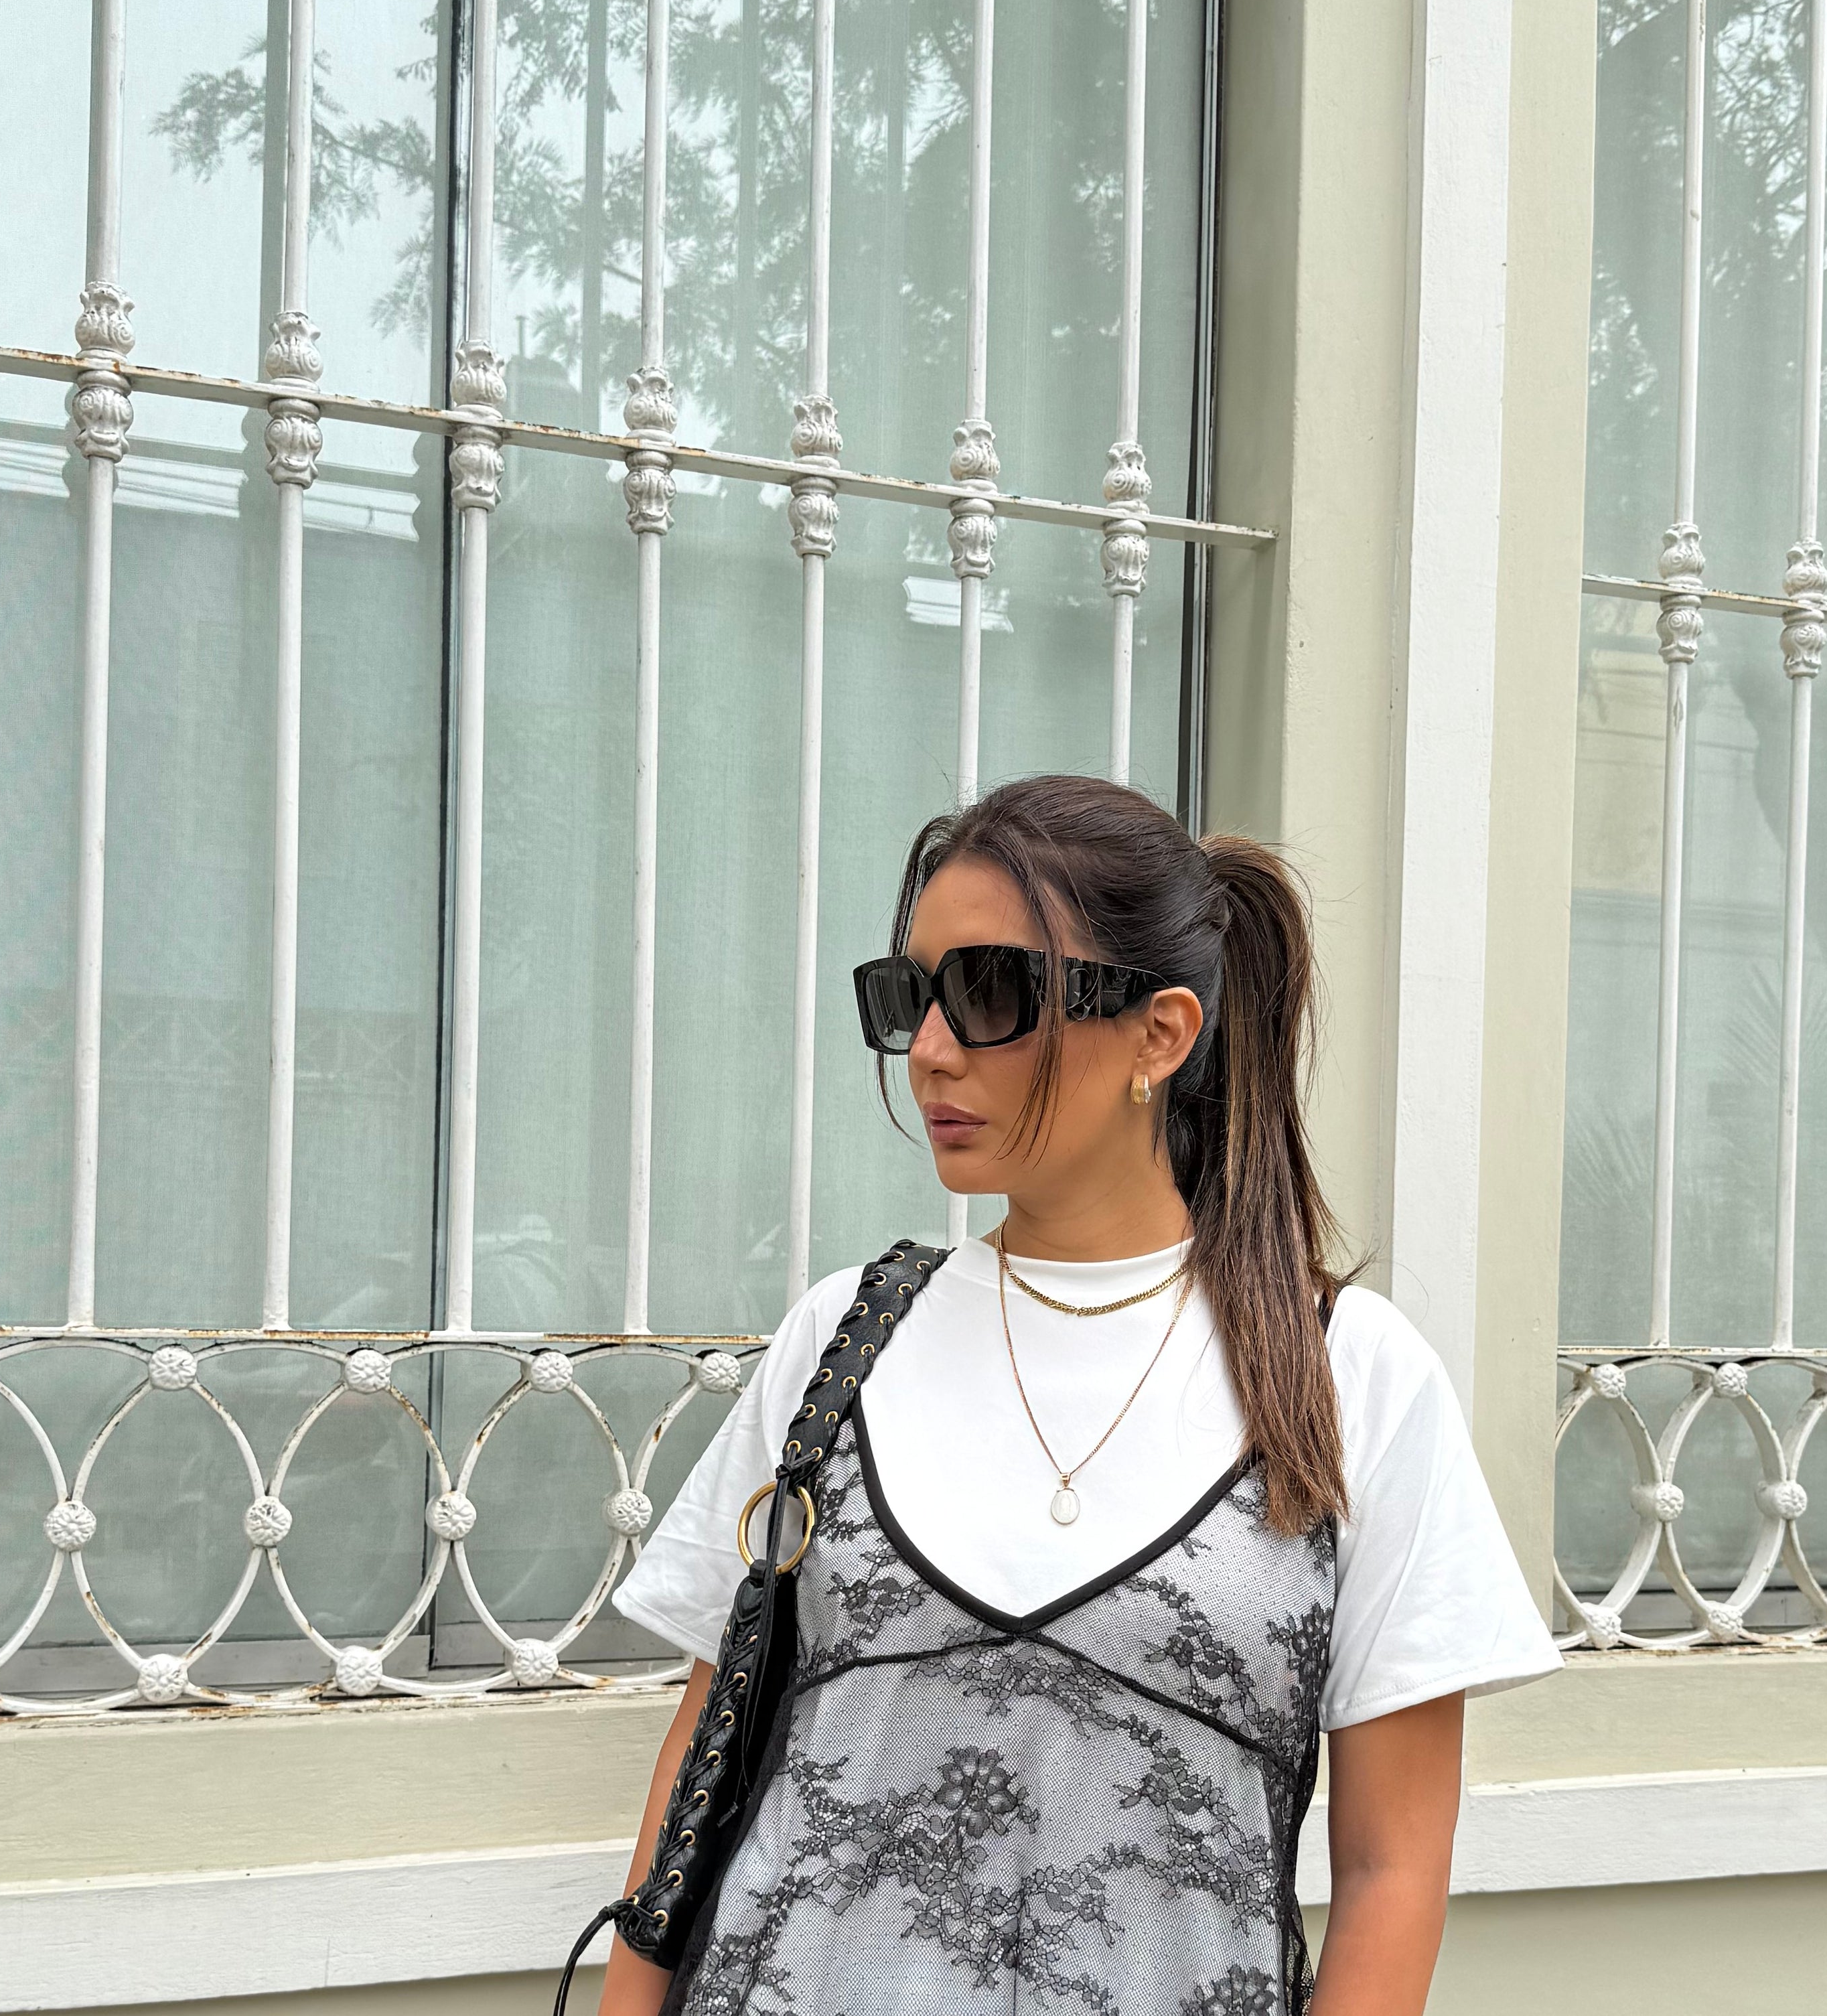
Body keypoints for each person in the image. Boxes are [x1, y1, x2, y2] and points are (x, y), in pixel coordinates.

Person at [602, 774, 1556, 2014]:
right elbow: (702, 1764)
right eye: (909, 997)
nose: (932, 1048)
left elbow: (1392, 1869)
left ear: (1160, 1035)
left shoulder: (1346, 1377)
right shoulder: (844, 1341)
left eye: (990, 993)